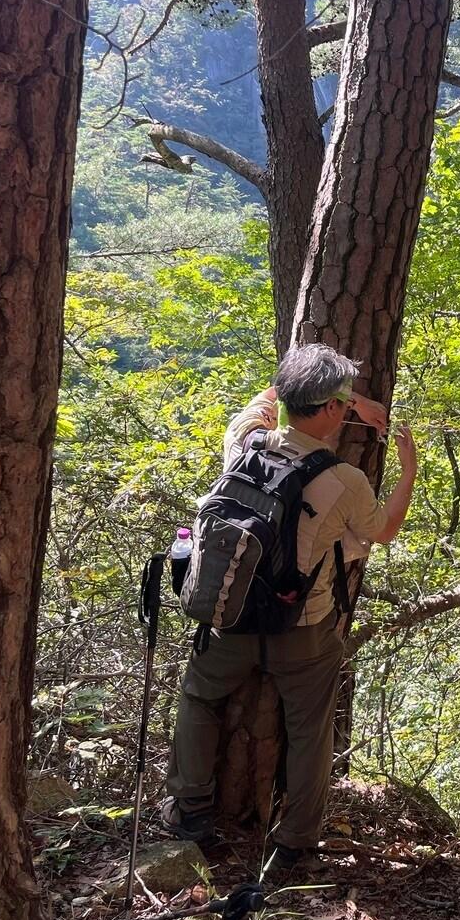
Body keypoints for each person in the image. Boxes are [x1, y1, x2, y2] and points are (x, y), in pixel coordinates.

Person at [161, 344, 417, 876]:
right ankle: (295, 841)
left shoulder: (243, 442)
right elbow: (383, 530)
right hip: (302, 628)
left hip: (229, 618)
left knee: (199, 697)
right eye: (342, 404)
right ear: (328, 410)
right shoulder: (344, 479)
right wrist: (408, 465)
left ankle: (192, 812)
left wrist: (350, 399)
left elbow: (271, 393)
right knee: (309, 729)